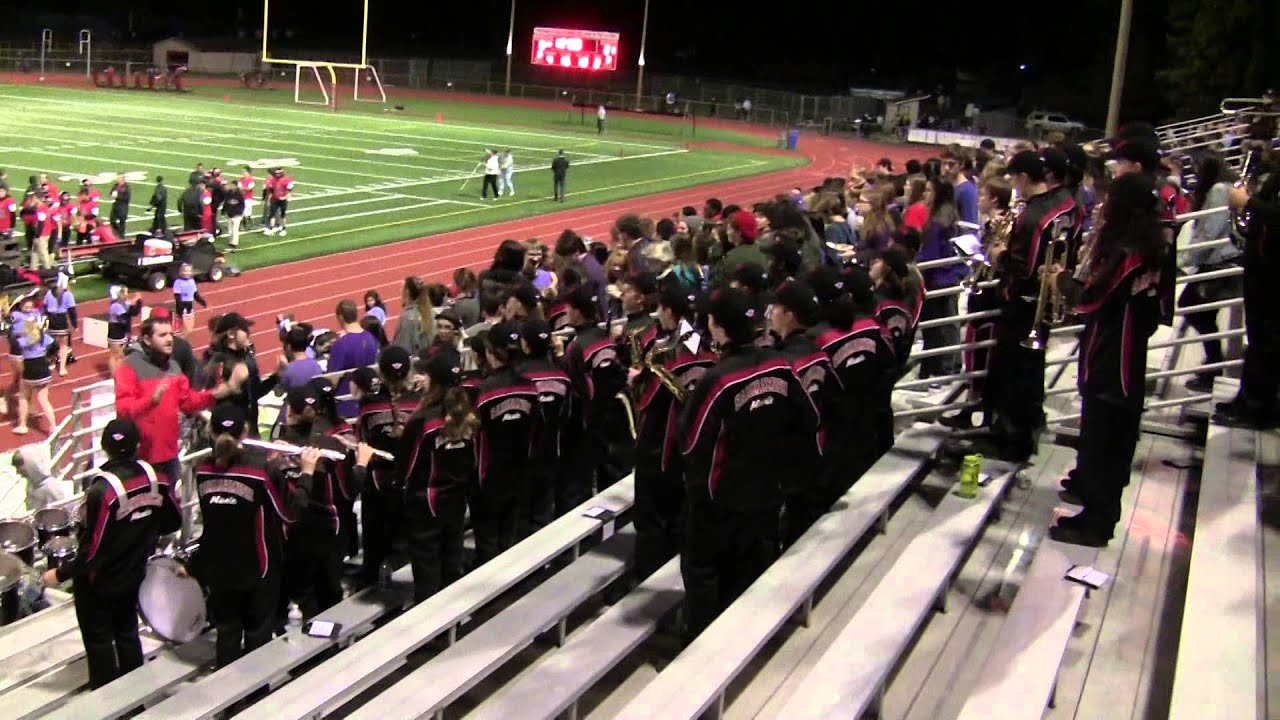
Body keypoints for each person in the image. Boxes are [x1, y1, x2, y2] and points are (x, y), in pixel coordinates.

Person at [679, 287, 820, 641]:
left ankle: (700, 655)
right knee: (750, 573)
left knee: (705, 576)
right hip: (767, 495)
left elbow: (691, 443)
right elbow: (810, 417)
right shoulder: (780, 365)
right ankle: (747, 642)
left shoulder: (718, 380)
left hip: (719, 503)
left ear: (719, 328)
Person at [1047, 172, 1169, 546]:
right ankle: (1097, 507)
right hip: (1125, 347)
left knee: (1105, 435)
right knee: (1110, 436)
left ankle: (1097, 520)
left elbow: (1094, 299)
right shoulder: (1151, 243)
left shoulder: (1129, 251)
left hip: (1112, 352)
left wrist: (1062, 281)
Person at [42, 418, 180, 688]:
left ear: (105, 447)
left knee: (100, 641)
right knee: (128, 632)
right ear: (137, 445)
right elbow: (172, 522)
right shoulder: (157, 478)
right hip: (134, 571)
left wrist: (60, 573)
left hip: (100, 581)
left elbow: (93, 551)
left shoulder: (102, 491)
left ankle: (107, 700)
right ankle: (134, 696)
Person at [192, 403, 308, 667]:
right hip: (259, 568)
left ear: (210, 430)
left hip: (219, 569)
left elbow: (212, 522)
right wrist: (307, 475)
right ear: (245, 431)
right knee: (258, 637)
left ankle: (227, 704)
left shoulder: (201, 470)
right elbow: (290, 513)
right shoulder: (261, 471)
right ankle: (256, 701)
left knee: (227, 635)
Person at [985, 150, 1077, 463]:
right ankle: (1028, 425)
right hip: (1043, 299)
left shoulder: (1035, 216)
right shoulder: (1065, 201)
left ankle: (1013, 440)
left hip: (1024, 303)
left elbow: (1023, 268)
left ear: (1023, 177)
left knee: (1015, 374)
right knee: (1030, 371)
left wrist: (998, 253)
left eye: (1014, 179)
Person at [114, 316, 245, 481]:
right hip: (140, 458)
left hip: (169, 456)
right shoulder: (128, 367)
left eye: (170, 334)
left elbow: (188, 402)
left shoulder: (173, 367)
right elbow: (123, 410)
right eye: (162, 335)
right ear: (147, 339)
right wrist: (151, 401)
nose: (169, 339)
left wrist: (215, 393)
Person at [399, 350, 478, 601]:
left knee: (427, 572)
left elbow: (407, 468)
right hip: (455, 500)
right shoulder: (468, 415)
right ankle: (450, 624)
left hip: (426, 504)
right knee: (451, 563)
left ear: (433, 381)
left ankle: (431, 634)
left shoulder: (423, 422)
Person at [1214, 160, 1280, 427]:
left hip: (1274, 277)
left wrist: (1248, 203)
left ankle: (1258, 408)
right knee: (1257, 341)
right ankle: (1248, 399)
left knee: (1267, 344)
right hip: (1262, 271)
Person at [471, 322, 540, 562]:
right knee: (509, 535)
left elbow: (474, 437)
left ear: (490, 353)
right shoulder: (530, 388)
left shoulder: (482, 392)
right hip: (520, 470)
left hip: (488, 475)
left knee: (488, 539)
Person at [350, 347, 418, 585]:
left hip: (378, 480)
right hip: (410, 477)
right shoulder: (419, 400)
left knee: (375, 535)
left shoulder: (369, 404)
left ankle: (372, 574)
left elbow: (363, 438)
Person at [515, 318, 572, 533]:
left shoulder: (517, 378)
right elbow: (566, 415)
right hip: (550, 453)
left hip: (522, 457)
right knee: (542, 512)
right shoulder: (562, 377)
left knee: (521, 516)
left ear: (525, 345)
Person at [105, 285, 143, 373]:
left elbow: (135, 312)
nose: (126, 294)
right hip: (116, 331)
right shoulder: (116, 306)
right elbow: (125, 316)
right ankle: (113, 374)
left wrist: (139, 301)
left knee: (120, 355)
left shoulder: (123, 303)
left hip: (121, 331)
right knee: (115, 355)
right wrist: (135, 300)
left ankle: (117, 373)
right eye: (123, 292)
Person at [172, 263, 207, 335]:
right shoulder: (178, 282)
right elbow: (177, 296)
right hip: (181, 304)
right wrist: (180, 306)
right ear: (181, 271)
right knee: (180, 321)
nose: (187, 273)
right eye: (185, 271)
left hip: (189, 303)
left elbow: (195, 293)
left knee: (188, 323)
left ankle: (185, 332)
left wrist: (201, 301)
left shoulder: (192, 281)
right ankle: (177, 331)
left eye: (189, 271)